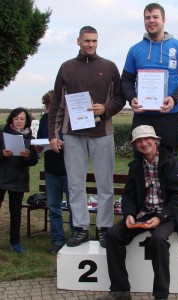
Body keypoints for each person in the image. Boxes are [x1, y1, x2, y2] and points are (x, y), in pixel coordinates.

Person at [48, 26, 125, 248]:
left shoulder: (109, 67)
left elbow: (120, 98)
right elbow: (56, 104)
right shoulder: (66, 68)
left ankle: (104, 228)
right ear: (78, 41)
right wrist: (54, 134)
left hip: (102, 132)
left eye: (94, 41)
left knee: (105, 183)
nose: (90, 44)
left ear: (97, 42)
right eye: (87, 41)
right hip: (73, 133)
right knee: (75, 184)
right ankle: (80, 228)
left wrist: (106, 109)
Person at [98, 125, 178, 300]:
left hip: (168, 214)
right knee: (113, 234)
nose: (144, 143)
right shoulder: (136, 166)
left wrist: (160, 217)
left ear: (156, 140)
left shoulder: (171, 161)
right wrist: (130, 215)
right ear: (135, 146)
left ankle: (161, 295)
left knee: (158, 239)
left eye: (147, 138)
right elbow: (129, 195)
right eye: (139, 141)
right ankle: (120, 290)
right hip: (144, 213)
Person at [121, 3, 178, 153]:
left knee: (168, 159)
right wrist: (131, 98)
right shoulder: (135, 49)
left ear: (164, 20)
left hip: (168, 114)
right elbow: (125, 80)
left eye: (155, 17)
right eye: (147, 17)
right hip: (142, 115)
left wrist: (175, 98)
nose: (151, 20)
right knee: (140, 158)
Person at [36, 90, 73, 254]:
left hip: (71, 170)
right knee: (54, 208)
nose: (49, 110)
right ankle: (57, 240)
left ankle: (76, 237)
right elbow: (40, 140)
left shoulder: (71, 120)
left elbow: (81, 143)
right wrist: (38, 147)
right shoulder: (44, 119)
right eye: (47, 107)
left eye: (52, 107)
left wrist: (66, 144)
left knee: (74, 207)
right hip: (51, 170)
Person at [0, 107, 39, 253]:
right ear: (11, 119)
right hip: (1, 176)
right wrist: (2, 153)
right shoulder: (2, 135)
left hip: (19, 179)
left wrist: (28, 155)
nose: (19, 121)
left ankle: (15, 242)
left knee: (15, 212)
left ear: (26, 121)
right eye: (16, 118)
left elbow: (34, 161)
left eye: (22, 119)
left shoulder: (31, 139)